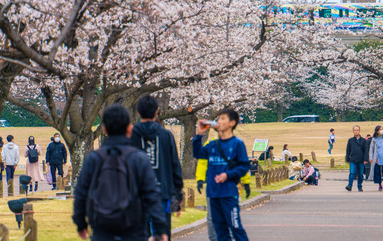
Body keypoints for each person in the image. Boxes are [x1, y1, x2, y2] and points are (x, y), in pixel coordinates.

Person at [72, 104, 167, 241]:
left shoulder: (94, 159)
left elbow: (81, 193)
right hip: (133, 229)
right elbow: (152, 194)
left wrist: (81, 223)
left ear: (104, 129)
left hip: (102, 228)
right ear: (129, 129)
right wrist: (160, 229)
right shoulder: (139, 158)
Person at [130, 95, 184, 239]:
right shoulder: (166, 135)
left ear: (138, 112)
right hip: (162, 193)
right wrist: (178, 194)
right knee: (162, 234)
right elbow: (175, 166)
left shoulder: (131, 135)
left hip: (137, 195)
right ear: (156, 112)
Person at [193, 108, 251, 241]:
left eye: (223, 118)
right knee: (220, 232)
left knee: (236, 228)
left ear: (232, 123)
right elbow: (198, 154)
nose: (219, 121)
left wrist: (228, 175)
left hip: (229, 193)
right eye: (218, 119)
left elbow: (243, 166)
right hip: (213, 194)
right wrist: (199, 135)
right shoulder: (212, 145)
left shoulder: (237, 144)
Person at [345, 126, 369, 192]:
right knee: (352, 173)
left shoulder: (363, 140)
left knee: (360, 174)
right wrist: (347, 159)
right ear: (353, 131)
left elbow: (366, 150)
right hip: (353, 160)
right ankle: (349, 186)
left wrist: (365, 159)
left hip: (361, 160)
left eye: (357, 130)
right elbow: (348, 150)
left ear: (359, 131)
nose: (356, 131)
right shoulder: (350, 140)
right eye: (355, 130)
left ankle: (359, 186)